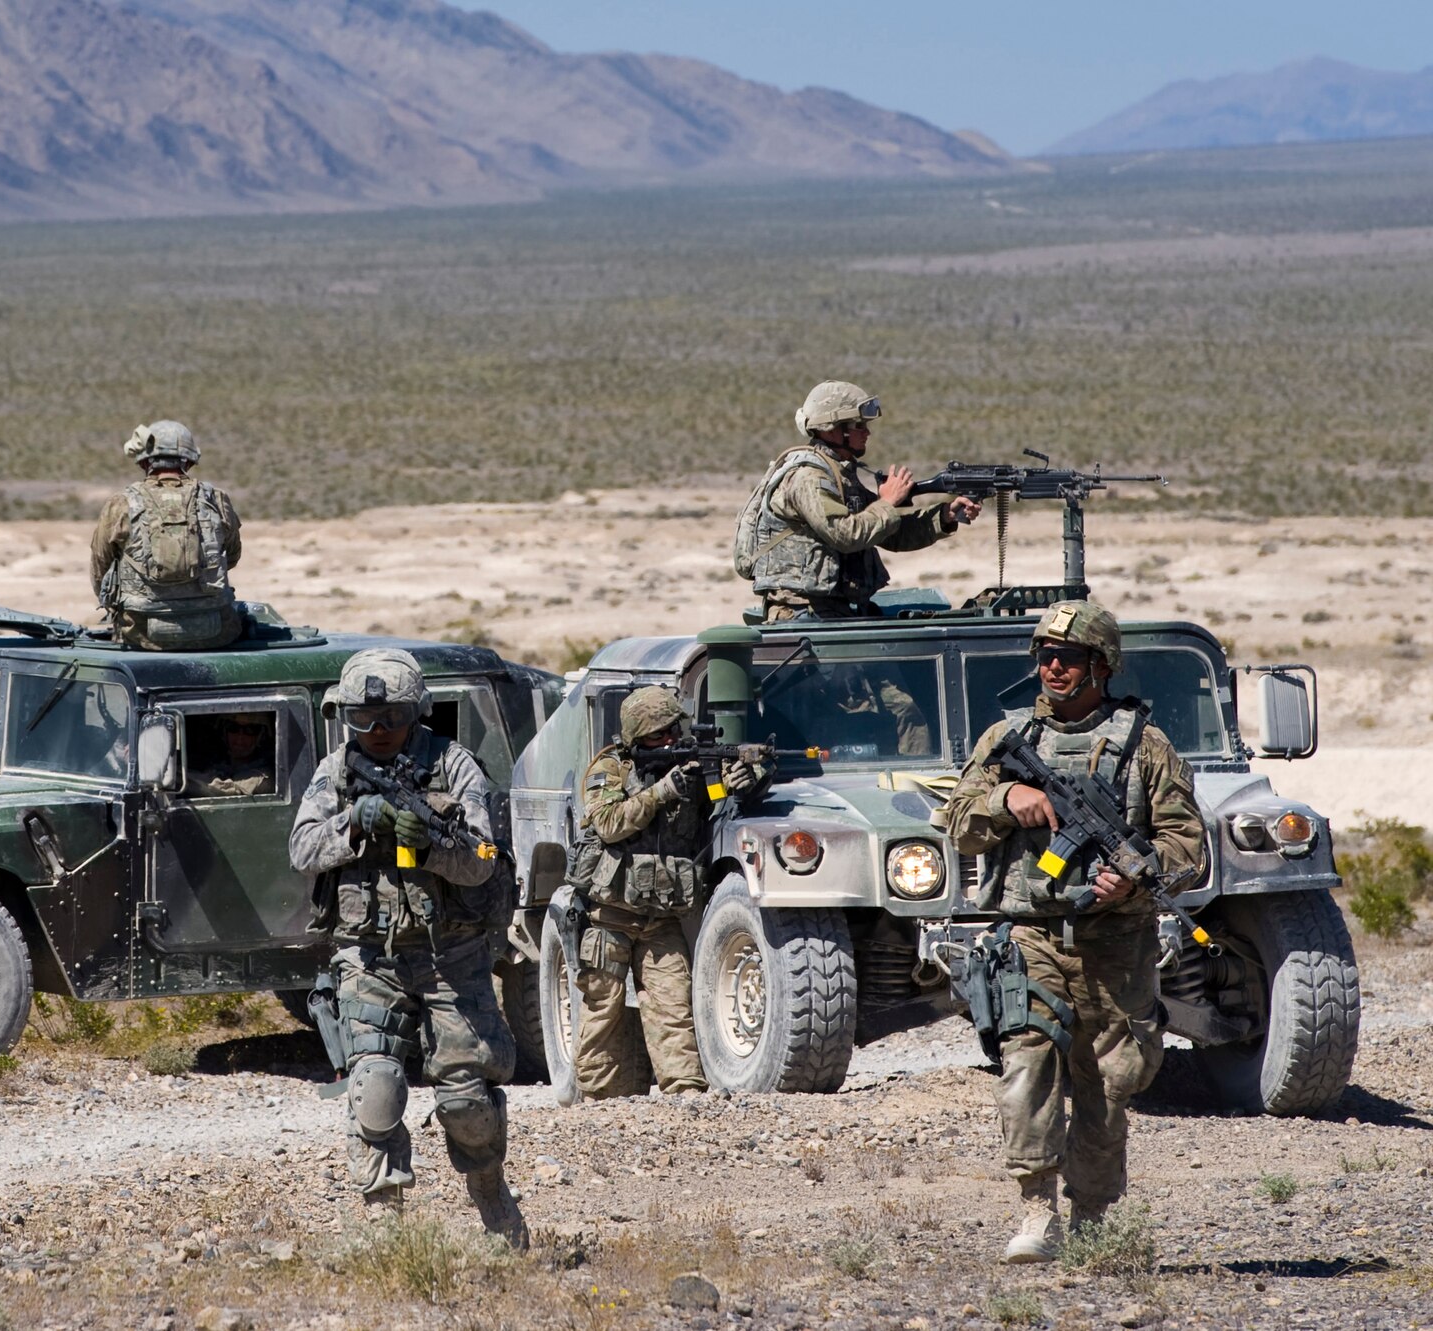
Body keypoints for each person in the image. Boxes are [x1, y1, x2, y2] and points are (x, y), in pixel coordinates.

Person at [939, 600, 1206, 1264]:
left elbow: (1188, 847)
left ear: (1101, 664)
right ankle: (1037, 1207)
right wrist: (1006, 800)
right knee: (1026, 1059)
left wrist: (1134, 879)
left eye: (1068, 657)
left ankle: (1091, 1214)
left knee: (1110, 1081)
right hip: (1030, 933)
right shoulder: (1008, 738)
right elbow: (958, 822)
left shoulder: (1146, 746)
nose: (1052, 667)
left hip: (1116, 944)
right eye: (1045, 655)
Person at [288, 649, 527, 1248]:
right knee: (375, 1088)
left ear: (416, 711)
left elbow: (483, 859)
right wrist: (354, 822)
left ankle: (492, 1196)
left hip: (453, 955)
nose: (378, 730)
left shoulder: (454, 766)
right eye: (362, 719)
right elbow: (302, 849)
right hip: (369, 956)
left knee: (466, 1100)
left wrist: (431, 849)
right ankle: (386, 1233)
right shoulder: (336, 771)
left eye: (391, 717)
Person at [570, 687, 767, 1098]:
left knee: (673, 1006)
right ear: (636, 738)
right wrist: (661, 792)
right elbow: (608, 824)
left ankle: (684, 1093)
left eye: (673, 731)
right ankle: (600, 1101)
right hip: (611, 913)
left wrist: (739, 784)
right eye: (657, 736)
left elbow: (717, 805)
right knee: (603, 1008)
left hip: (662, 916)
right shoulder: (612, 768)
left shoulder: (691, 766)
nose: (669, 741)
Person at [734, 380, 981, 621]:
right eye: (858, 425)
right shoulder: (808, 477)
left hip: (833, 609)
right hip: (804, 613)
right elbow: (845, 535)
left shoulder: (839, 474)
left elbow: (889, 532)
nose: (867, 432)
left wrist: (944, 516)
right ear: (831, 429)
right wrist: (887, 502)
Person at [90, 420, 244, 650]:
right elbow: (231, 556)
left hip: (140, 635)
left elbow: (100, 567)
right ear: (189, 461)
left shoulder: (121, 503)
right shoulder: (216, 499)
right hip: (216, 632)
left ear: (144, 462)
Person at [185, 712, 275, 797]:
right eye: (233, 728)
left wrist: (182, 780)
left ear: (261, 736)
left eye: (250, 730)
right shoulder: (218, 763)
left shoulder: (263, 777)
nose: (240, 737)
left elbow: (226, 790)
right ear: (224, 732)